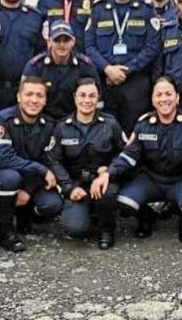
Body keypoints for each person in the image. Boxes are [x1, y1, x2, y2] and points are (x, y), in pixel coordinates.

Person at [92, 77, 182, 242]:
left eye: (168, 94)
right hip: (151, 179)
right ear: (153, 100)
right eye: (159, 95)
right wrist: (108, 173)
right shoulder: (143, 124)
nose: (164, 99)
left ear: (177, 97)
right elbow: (128, 156)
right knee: (124, 202)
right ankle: (147, 216)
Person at [47, 78, 127, 249]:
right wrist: (68, 187)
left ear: (98, 99)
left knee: (107, 194)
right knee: (75, 228)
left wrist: (109, 171)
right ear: (75, 97)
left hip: (102, 182)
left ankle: (107, 229)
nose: (87, 100)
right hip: (77, 184)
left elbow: (125, 153)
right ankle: (89, 212)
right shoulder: (62, 127)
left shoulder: (110, 124)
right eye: (82, 95)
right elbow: (54, 160)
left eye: (92, 96)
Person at [84, 0, 162, 134]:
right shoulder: (98, 10)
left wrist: (126, 70)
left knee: (135, 132)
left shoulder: (146, 10)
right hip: (106, 84)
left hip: (136, 85)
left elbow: (152, 48)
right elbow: (89, 46)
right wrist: (107, 69)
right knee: (104, 133)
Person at [0, 77, 62, 252]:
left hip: (33, 182)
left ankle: (26, 215)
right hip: (5, 176)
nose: (34, 100)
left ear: (45, 100)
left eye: (39, 95)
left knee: (52, 204)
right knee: (10, 178)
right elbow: (4, 158)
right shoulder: (2, 119)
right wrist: (40, 169)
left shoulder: (49, 125)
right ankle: (5, 231)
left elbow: (49, 161)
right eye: (29, 94)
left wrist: (28, 189)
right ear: (19, 96)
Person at [22, 20, 101, 120]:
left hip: (75, 121)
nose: (62, 44)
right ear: (49, 42)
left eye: (66, 40)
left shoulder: (86, 66)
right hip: (43, 121)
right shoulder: (35, 66)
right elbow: (25, 99)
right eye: (57, 40)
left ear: (73, 41)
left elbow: (96, 97)